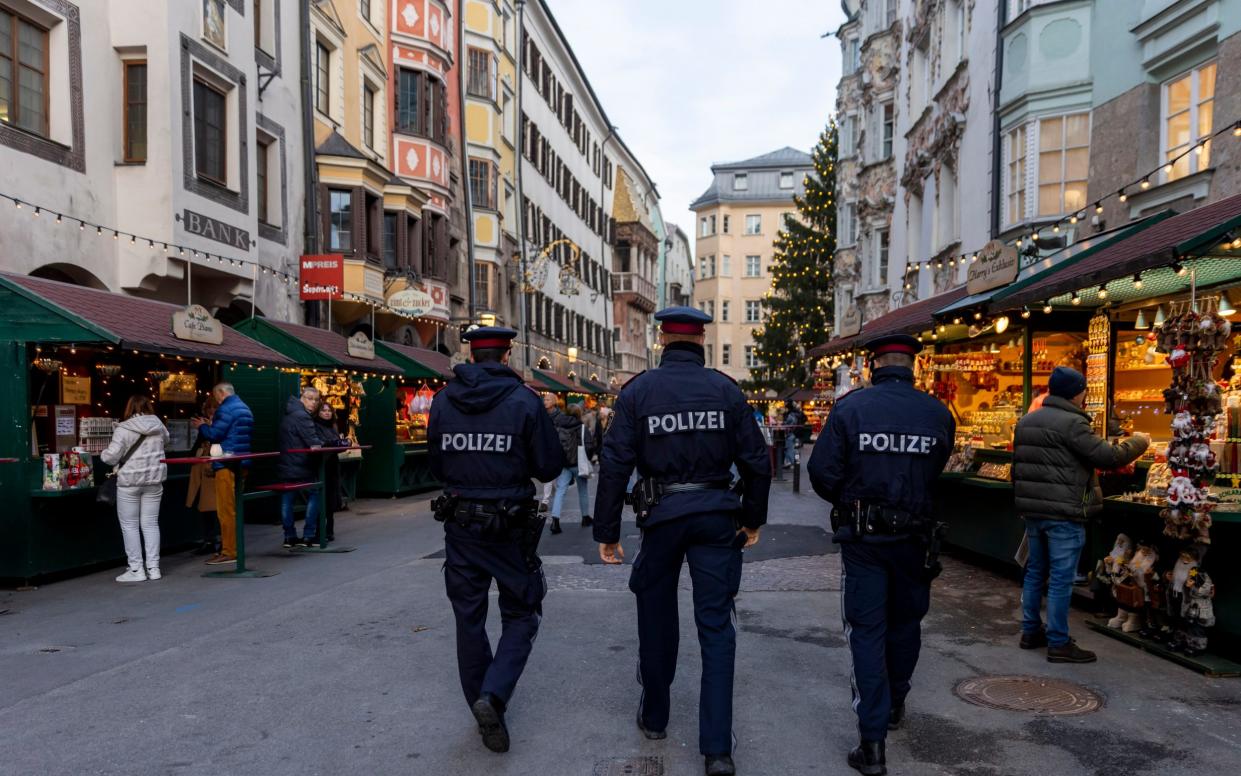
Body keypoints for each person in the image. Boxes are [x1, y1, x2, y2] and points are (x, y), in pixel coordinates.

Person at [594, 306, 771, 776]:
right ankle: (717, 751)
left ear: (661, 339)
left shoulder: (639, 392)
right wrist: (752, 519)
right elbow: (757, 460)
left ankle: (655, 716)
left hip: (663, 518)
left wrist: (607, 532)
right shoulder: (725, 391)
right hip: (716, 516)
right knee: (716, 629)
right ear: (701, 341)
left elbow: (614, 465)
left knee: (656, 617)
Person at [807, 333, 955, 776]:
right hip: (916, 537)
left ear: (874, 366)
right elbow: (938, 467)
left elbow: (822, 472)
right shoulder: (937, 412)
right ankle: (895, 703)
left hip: (866, 539)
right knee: (906, 622)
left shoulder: (852, 408)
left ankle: (872, 743)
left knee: (867, 630)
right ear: (912, 367)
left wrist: (852, 502)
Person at [428, 326, 562, 754]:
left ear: (471, 354)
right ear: (506, 355)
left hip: (461, 524)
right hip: (509, 525)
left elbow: (436, 464)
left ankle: (482, 705)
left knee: (468, 619)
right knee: (522, 612)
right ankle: (494, 694)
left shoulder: (444, 400)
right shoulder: (523, 400)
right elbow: (548, 467)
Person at [1013, 366, 1149, 664]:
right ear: (1077, 392)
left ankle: (1030, 631)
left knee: (1035, 571)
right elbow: (1109, 456)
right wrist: (1140, 441)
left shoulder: (1027, 421)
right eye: (1083, 389)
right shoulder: (1073, 423)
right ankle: (1058, 642)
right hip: (1065, 511)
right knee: (1062, 578)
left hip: (1034, 511)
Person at [101, 395, 170, 583]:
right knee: (150, 523)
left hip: (130, 481)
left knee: (130, 525)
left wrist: (103, 454)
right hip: (154, 480)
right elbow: (167, 442)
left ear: (129, 408)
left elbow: (111, 458)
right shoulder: (159, 426)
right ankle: (154, 568)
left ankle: (136, 569)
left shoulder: (123, 429)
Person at [191, 383, 254, 566]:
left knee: (226, 510)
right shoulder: (245, 408)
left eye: (216, 395)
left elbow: (215, 435)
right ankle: (235, 548)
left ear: (221, 393)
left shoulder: (225, 409)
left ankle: (229, 551)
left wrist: (203, 426)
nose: (216, 400)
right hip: (241, 462)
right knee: (234, 508)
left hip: (226, 464)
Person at [277, 386, 326, 548]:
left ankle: (289, 536)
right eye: (309, 398)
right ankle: (308, 535)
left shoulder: (289, 413)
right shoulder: (302, 416)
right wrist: (324, 444)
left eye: (316, 399)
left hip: (287, 463)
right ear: (301, 398)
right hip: (302, 464)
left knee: (287, 500)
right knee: (315, 493)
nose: (313, 403)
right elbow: (313, 442)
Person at [549, 403, 596, 532]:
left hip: (564, 464)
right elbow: (589, 445)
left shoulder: (559, 426)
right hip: (578, 464)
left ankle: (555, 521)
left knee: (560, 491)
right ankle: (585, 518)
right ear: (578, 414)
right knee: (583, 491)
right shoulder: (581, 427)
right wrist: (588, 458)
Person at [186, 395, 219, 555]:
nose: (211, 413)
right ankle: (210, 540)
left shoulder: (217, 426)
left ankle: (216, 540)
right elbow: (195, 449)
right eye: (209, 411)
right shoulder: (205, 426)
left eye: (214, 411)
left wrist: (205, 427)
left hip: (214, 471)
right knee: (205, 509)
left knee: (215, 509)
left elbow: (216, 439)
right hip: (203, 473)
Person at [314, 401, 349, 542]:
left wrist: (343, 444)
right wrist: (335, 444)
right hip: (322, 465)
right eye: (324, 410)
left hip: (333, 465)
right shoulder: (316, 425)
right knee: (323, 498)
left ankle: (329, 530)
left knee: (331, 498)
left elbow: (335, 444)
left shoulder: (333, 426)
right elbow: (321, 443)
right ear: (319, 412)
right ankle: (320, 531)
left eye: (329, 410)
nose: (327, 413)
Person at [539, 392, 561, 513]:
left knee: (555, 479)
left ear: (553, 401)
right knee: (550, 477)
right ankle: (545, 501)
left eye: (547, 400)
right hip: (545, 448)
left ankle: (555, 498)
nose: (545, 401)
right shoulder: (542, 415)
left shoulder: (559, 416)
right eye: (544, 399)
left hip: (556, 449)